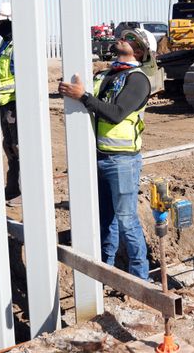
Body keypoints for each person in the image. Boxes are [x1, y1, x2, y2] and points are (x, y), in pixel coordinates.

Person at [58, 28, 157, 280]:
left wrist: (83, 97)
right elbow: (84, 95)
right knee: (106, 221)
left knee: (126, 220)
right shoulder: (108, 74)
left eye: (129, 38)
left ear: (139, 50)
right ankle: (106, 272)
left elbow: (115, 112)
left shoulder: (138, 79)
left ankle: (139, 278)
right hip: (100, 157)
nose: (121, 38)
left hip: (122, 160)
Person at [0, 2, 22, 207]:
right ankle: (12, 188)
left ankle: (22, 191)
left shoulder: (19, 44)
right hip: (4, 103)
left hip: (14, 103)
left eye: (1, 22)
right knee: (9, 146)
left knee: (18, 146)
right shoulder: (5, 42)